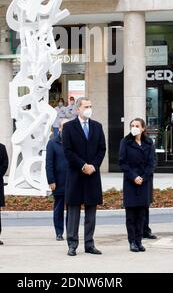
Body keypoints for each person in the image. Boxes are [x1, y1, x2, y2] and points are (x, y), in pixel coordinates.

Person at [62, 97, 106, 256]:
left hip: (92, 175)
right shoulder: (68, 127)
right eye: (86, 106)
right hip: (76, 174)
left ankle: (89, 244)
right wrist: (83, 165)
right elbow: (67, 151)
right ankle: (72, 244)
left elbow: (102, 149)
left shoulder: (97, 126)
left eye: (91, 106)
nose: (89, 109)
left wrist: (93, 165)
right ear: (78, 109)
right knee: (73, 211)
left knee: (91, 212)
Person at [119, 118, 155, 252]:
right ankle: (132, 241)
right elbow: (122, 162)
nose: (134, 127)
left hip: (144, 182)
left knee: (141, 214)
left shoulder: (148, 142)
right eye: (132, 125)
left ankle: (139, 241)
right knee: (131, 215)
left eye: (137, 126)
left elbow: (151, 163)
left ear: (143, 128)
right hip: (130, 182)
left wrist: (143, 177)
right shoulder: (125, 142)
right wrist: (134, 177)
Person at [46, 118, 68, 240]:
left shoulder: (74, 142)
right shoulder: (52, 143)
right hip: (58, 182)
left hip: (71, 181)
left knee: (72, 208)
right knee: (59, 208)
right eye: (64, 127)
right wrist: (51, 180)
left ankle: (70, 231)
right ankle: (59, 232)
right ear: (59, 128)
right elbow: (49, 163)